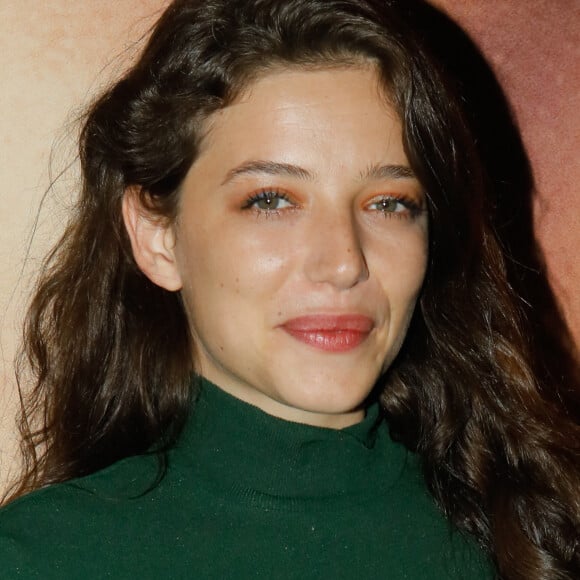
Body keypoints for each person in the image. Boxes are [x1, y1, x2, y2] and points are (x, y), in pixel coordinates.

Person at [1, 0, 578, 578]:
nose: (344, 262)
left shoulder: (538, 540)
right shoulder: (39, 556)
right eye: (271, 200)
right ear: (158, 236)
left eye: (389, 203)